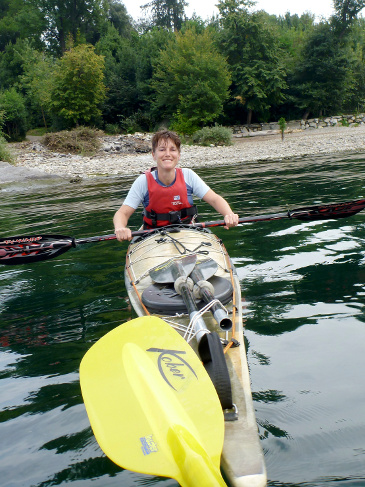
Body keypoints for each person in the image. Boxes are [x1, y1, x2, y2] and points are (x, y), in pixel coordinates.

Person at [113, 129, 239, 241]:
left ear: (178, 155)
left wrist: (228, 214)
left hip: (187, 230)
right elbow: (122, 213)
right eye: (162, 149)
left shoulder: (188, 175)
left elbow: (215, 199)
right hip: (153, 235)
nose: (167, 154)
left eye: (172, 150)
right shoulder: (143, 181)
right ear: (154, 155)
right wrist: (120, 228)